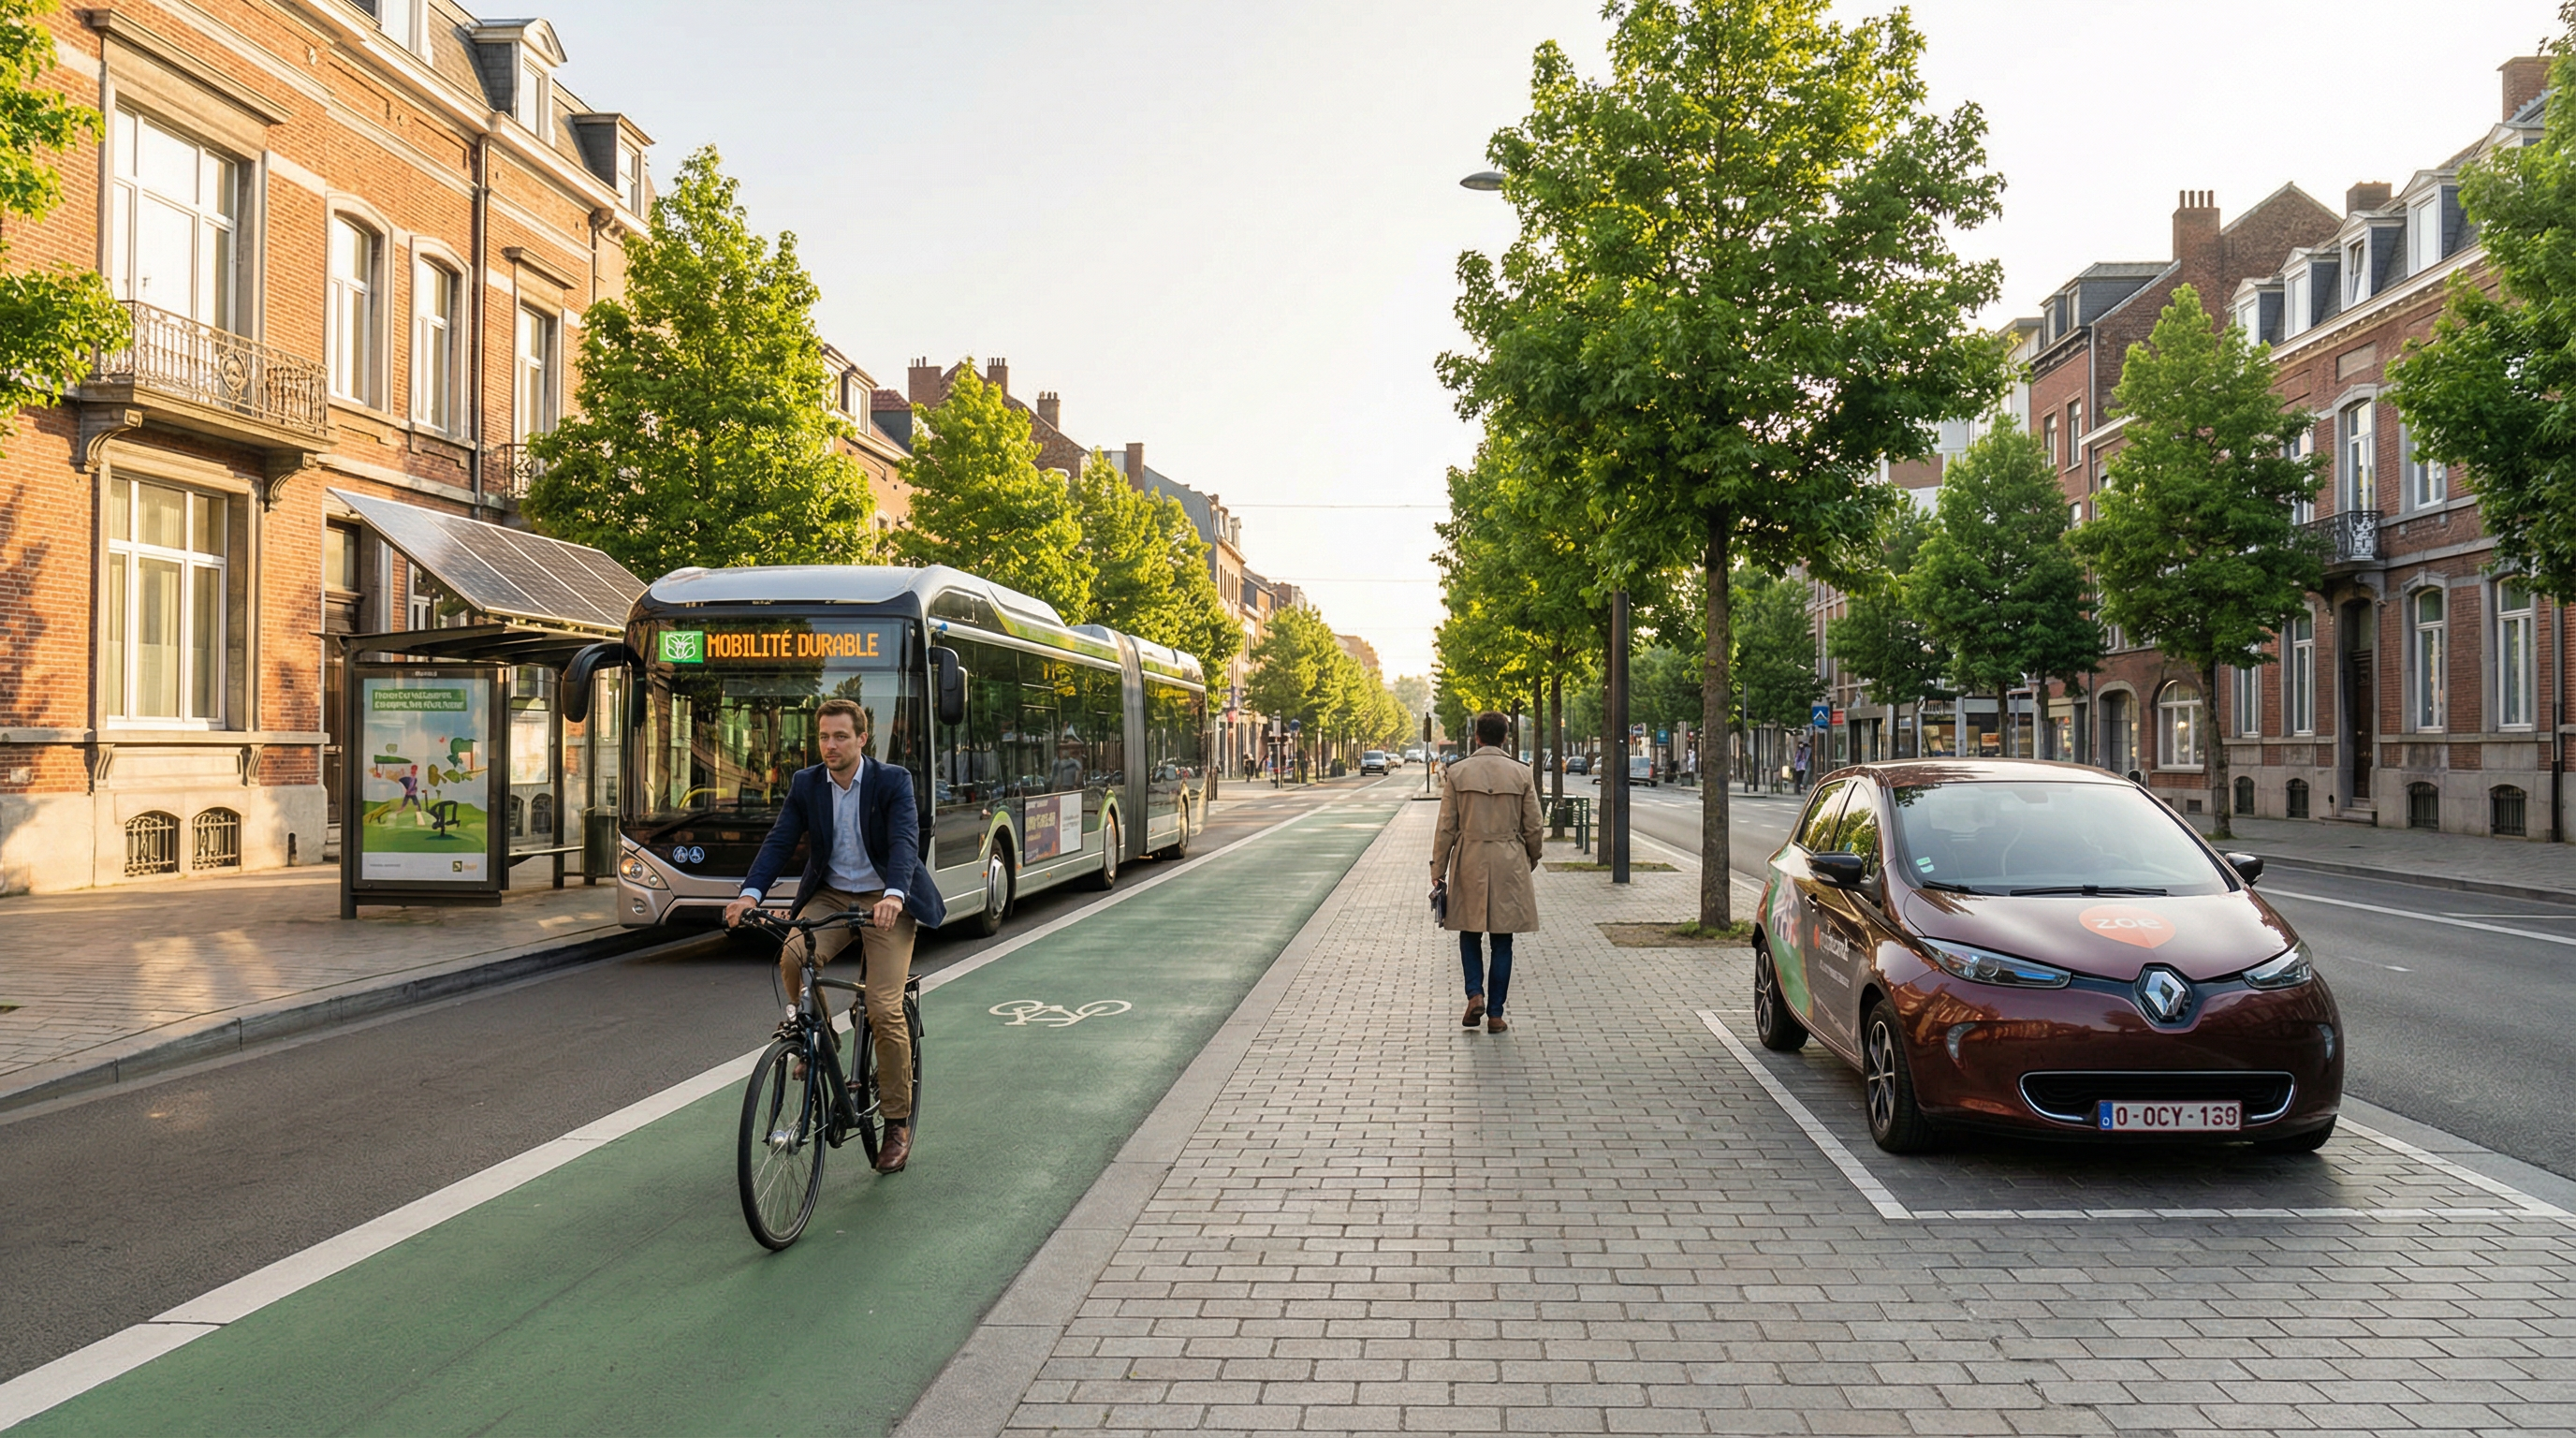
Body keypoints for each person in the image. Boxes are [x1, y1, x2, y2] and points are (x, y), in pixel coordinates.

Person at [724, 697, 947, 1174]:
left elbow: (906, 840)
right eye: (824, 736)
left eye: (840, 736)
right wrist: (749, 895)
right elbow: (780, 841)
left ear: (862, 739)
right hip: (831, 894)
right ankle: (819, 1038)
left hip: (886, 898)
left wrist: (893, 895)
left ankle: (896, 1122)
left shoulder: (892, 781)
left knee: (885, 1008)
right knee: (791, 957)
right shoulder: (807, 784)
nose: (830, 745)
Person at [1430, 710, 1544, 1034]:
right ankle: (1495, 1015)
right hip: (1509, 858)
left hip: (1470, 858)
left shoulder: (1459, 772)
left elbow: (1446, 826)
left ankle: (1474, 994)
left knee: (1469, 932)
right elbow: (1534, 824)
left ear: (1477, 737)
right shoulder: (1521, 773)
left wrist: (1438, 868)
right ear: (1505, 737)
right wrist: (1531, 858)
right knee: (1502, 940)